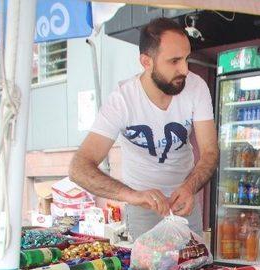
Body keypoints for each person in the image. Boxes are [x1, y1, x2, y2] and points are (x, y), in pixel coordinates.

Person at [69, 18, 218, 238]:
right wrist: (132, 196)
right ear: (146, 62)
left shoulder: (197, 87)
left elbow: (210, 151)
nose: (185, 69)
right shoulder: (122, 99)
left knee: (195, 268)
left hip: (185, 202)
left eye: (186, 58)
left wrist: (189, 188)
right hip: (141, 208)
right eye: (174, 61)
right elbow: (78, 168)